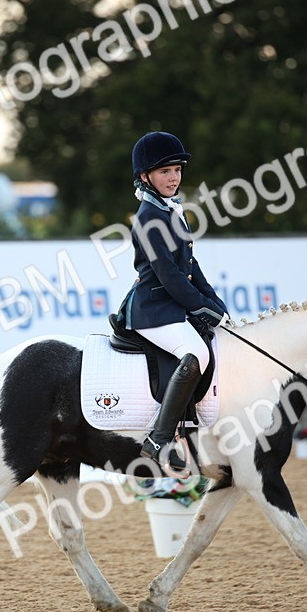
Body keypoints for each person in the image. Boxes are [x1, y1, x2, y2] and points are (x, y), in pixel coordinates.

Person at [118, 131, 228, 475]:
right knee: (197, 354)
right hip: (153, 309)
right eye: (165, 171)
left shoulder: (171, 210)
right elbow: (169, 275)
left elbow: (191, 267)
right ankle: (160, 439)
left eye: (177, 170)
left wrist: (215, 304)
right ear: (145, 176)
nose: (173, 177)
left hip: (171, 306)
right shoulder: (148, 217)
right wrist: (201, 308)